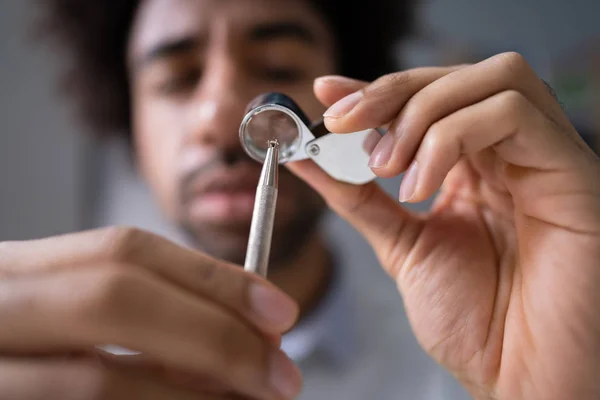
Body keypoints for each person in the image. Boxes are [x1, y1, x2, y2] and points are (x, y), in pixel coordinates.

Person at [1, 0, 599, 399]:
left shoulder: (458, 370)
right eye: (177, 78)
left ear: (348, 100)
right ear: (128, 119)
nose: (219, 114)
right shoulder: (64, 364)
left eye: (279, 64)